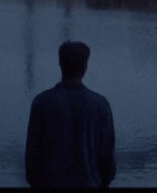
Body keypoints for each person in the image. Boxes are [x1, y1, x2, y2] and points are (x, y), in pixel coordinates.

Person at [25, 41, 116, 188]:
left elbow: (32, 159)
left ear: (60, 64)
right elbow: (107, 161)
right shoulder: (100, 105)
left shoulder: (41, 103)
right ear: (85, 66)